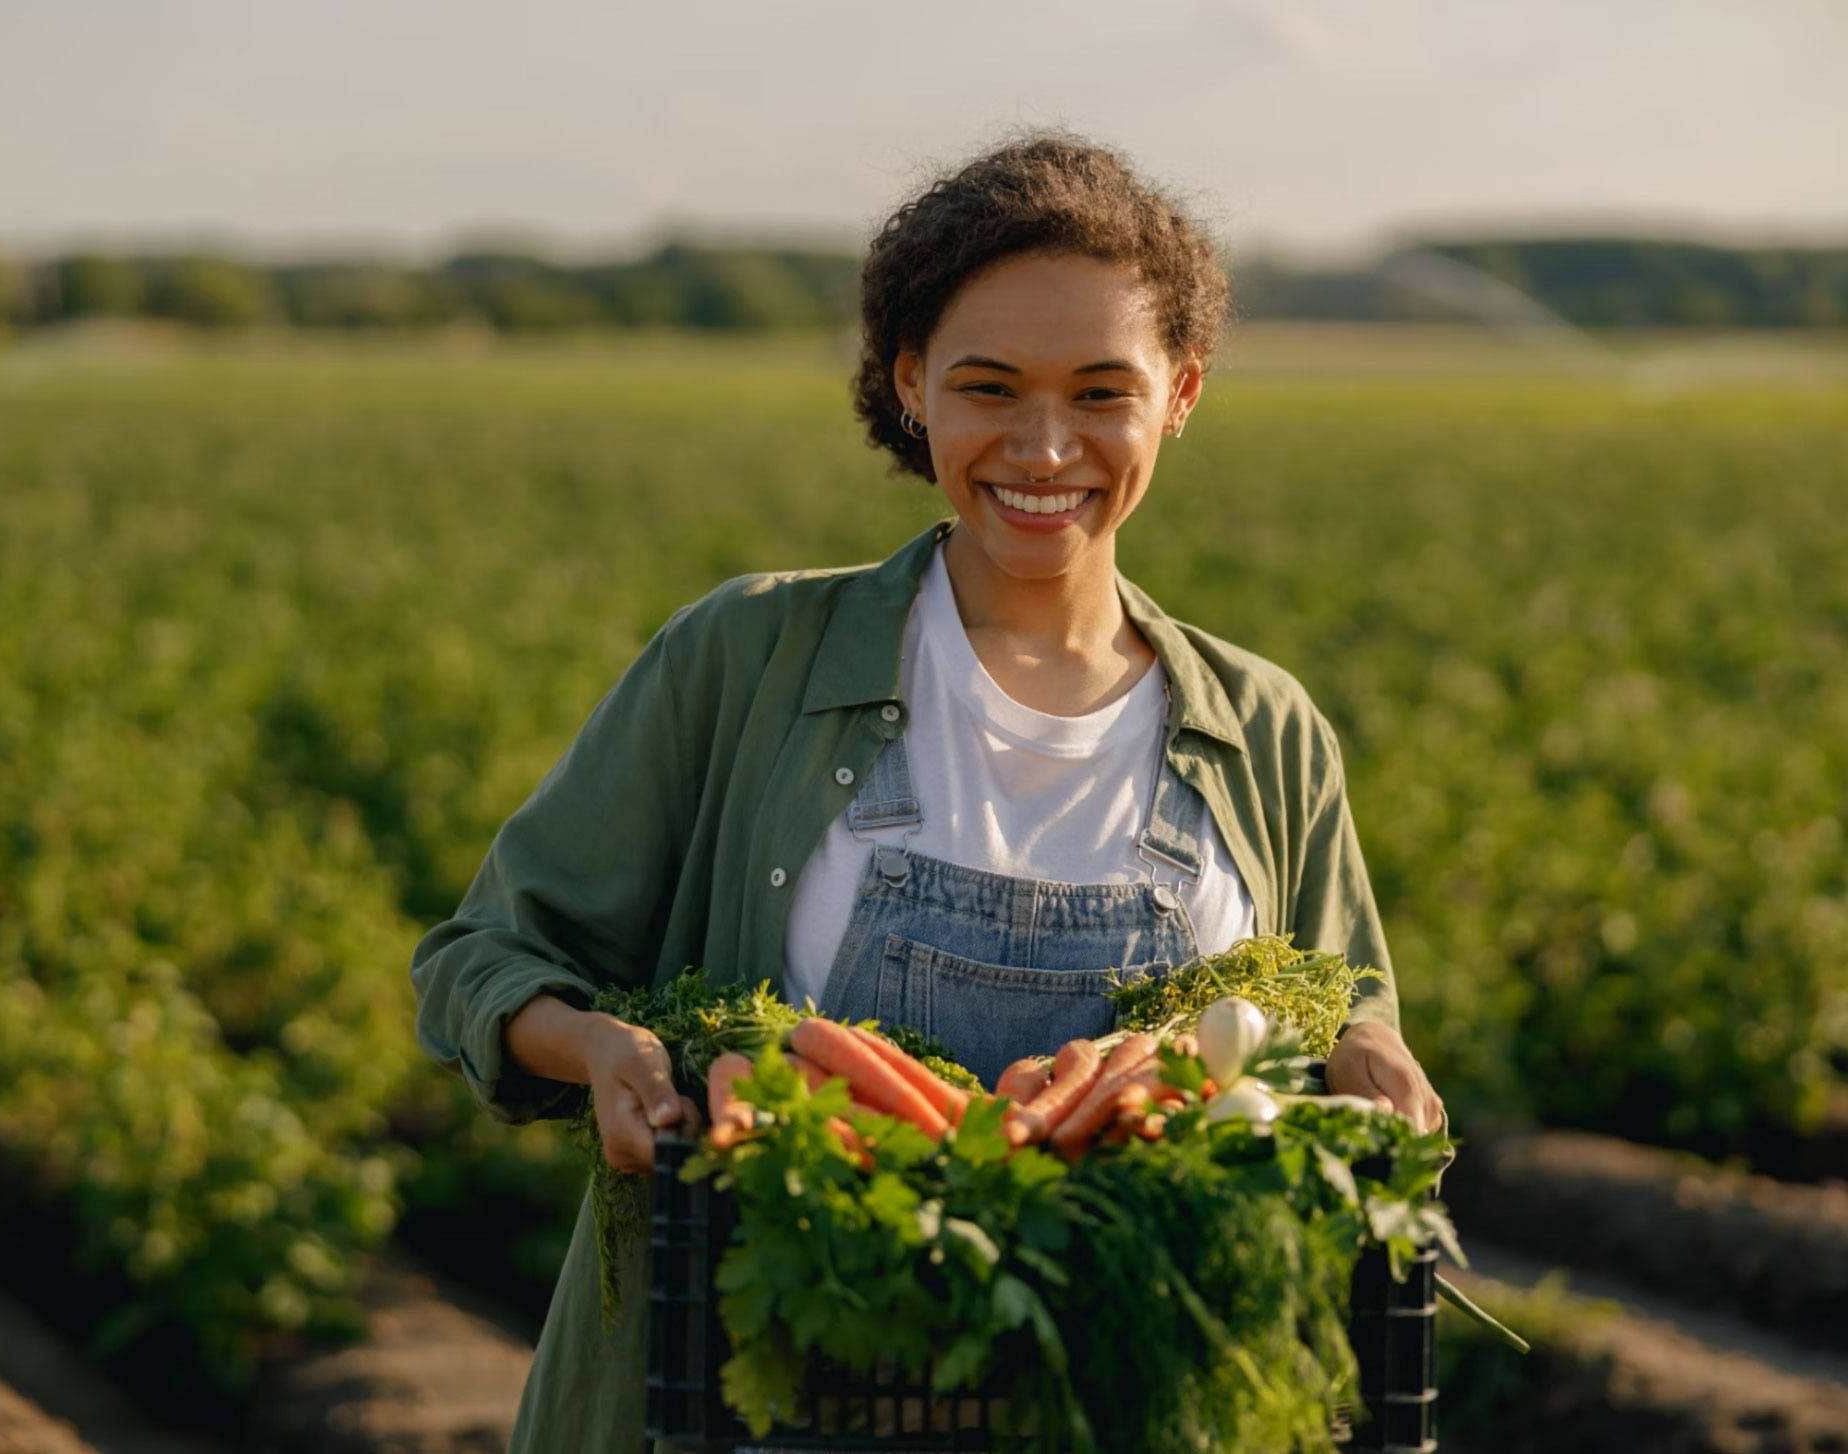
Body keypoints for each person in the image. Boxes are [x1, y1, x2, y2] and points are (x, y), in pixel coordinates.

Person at [409, 130, 1447, 1454]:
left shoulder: (1264, 731)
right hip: (770, 1404)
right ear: (911, 386)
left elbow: (1341, 1015)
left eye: (1101, 391)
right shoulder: (749, 661)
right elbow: (481, 958)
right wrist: (606, 1049)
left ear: (1180, 393)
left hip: (1143, 1406)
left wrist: (1369, 1051)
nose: (1045, 444)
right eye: (989, 385)